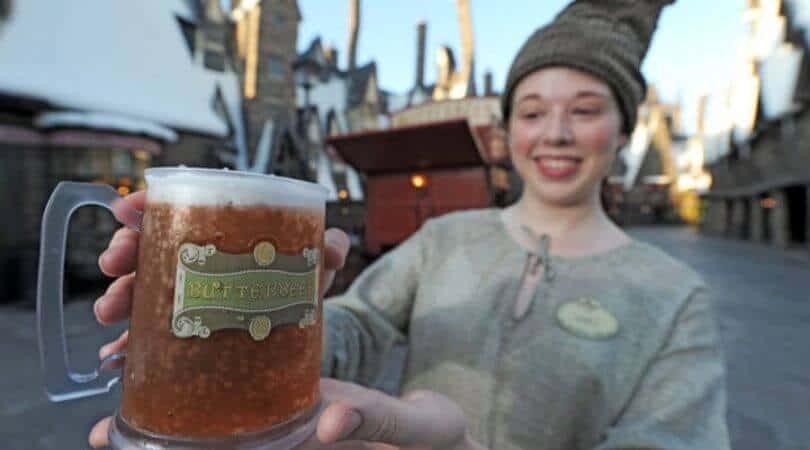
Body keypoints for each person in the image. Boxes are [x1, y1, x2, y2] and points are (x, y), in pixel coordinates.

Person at [89, 1, 731, 448]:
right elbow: (359, 323)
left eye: (586, 109)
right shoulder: (447, 239)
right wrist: (278, 324)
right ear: (507, 134)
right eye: (533, 112)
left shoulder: (673, 296)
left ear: (624, 130)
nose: (556, 133)